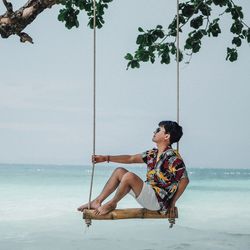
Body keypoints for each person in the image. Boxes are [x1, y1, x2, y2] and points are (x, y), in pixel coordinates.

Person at [78, 120, 189, 216]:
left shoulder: (173, 158)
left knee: (129, 176)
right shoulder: (152, 153)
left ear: (166, 136)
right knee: (119, 171)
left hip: (158, 201)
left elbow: (184, 180)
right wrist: (105, 158)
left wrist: (173, 203)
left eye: (158, 130)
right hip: (148, 194)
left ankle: (112, 203)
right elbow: (131, 158)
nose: (154, 132)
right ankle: (97, 201)